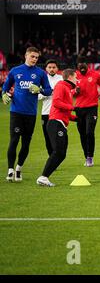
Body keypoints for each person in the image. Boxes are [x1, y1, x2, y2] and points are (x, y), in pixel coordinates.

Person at [2, 47, 52, 182]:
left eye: (36, 57)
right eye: (32, 56)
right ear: (26, 56)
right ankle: (10, 170)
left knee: (26, 143)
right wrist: (4, 95)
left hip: (31, 113)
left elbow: (48, 90)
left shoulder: (40, 73)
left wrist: (39, 89)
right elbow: (5, 87)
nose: (35, 59)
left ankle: (19, 168)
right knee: (14, 140)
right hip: (16, 112)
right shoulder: (15, 71)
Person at [36, 69, 78, 187]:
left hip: (60, 123)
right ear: (69, 77)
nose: (77, 79)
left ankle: (44, 177)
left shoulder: (68, 89)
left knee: (61, 154)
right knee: (58, 152)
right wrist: (73, 108)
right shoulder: (60, 85)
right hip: (55, 123)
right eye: (75, 77)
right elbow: (56, 103)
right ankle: (43, 177)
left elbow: (66, 113)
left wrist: (78, 119)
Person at [74, 57, 100, 167]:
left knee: (89, 132)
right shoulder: (74, 76)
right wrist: (74, 91)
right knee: (82, 134)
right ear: (77, 66)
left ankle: (90, 157)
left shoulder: (95, 74)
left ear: (87, 65)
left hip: (92, 108)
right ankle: (86, 156)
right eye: (79, 65)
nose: (81, 66)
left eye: (83, 64)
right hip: (78, 109)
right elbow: (69, 91)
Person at [39, 59, 63, 156]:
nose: (52, 69)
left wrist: (52, 92)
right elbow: (38, 96)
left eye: (54, 67)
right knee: (47, 137)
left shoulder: (61, 79)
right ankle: (51, 157)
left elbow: (65, 94)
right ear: (46, 69)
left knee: (58, 136)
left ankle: (57, 156)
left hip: (58, 112)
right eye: (49, 67)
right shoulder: (42, 80)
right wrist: (47, 93)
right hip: (46, 112)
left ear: (57, 68)